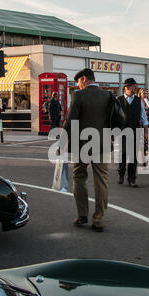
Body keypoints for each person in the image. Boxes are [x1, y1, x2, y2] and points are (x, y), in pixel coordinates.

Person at [63, 68, 111, 232]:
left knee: (79, 177)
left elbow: (70, 121)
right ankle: (98, 219)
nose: (78, 85)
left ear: (84, 79)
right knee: (101, 180)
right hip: (102, 143)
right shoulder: (108, 95)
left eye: (78, 82)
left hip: (82, 144)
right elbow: (117, 118)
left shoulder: (78, 96)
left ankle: (82, 214)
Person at [117, 78, 149, 188]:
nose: (135, 88)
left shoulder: (138, 100)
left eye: (135, 86)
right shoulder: (119, 100)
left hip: (135, 130)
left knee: (133, 156)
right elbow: (114, 117)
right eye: (133, 86)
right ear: (126, 87)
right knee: (123, 153)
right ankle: (121, 173)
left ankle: (132, 179)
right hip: (122, 131)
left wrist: (146, 133)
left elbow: (144, 118)